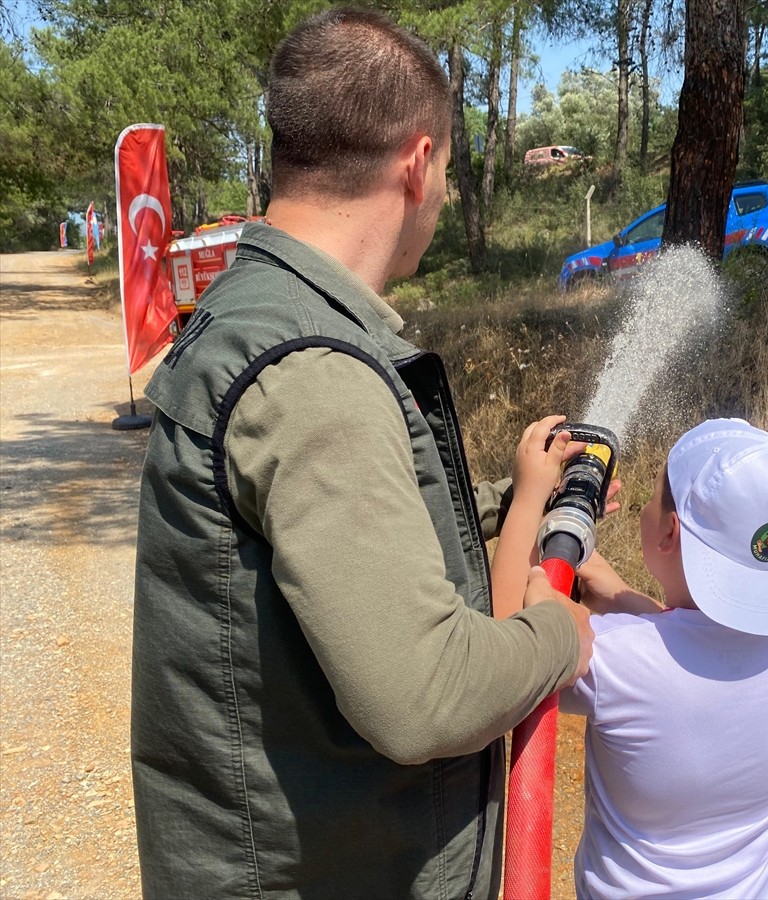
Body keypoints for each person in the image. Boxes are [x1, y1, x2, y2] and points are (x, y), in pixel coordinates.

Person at [130, 8, 594, 898]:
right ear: (417, 164)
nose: (447, 196)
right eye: (450, 171)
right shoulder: (314, 375)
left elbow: (330, 532)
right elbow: (426, 695)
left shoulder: (254, 309)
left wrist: (503, 503)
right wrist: (557, 637)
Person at [494, 418, 768, 898]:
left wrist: (528, 500)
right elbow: (698, 653)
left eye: (653, 498)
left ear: (670, 531)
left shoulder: (617, 662)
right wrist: (620, 597)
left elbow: (510, 650)